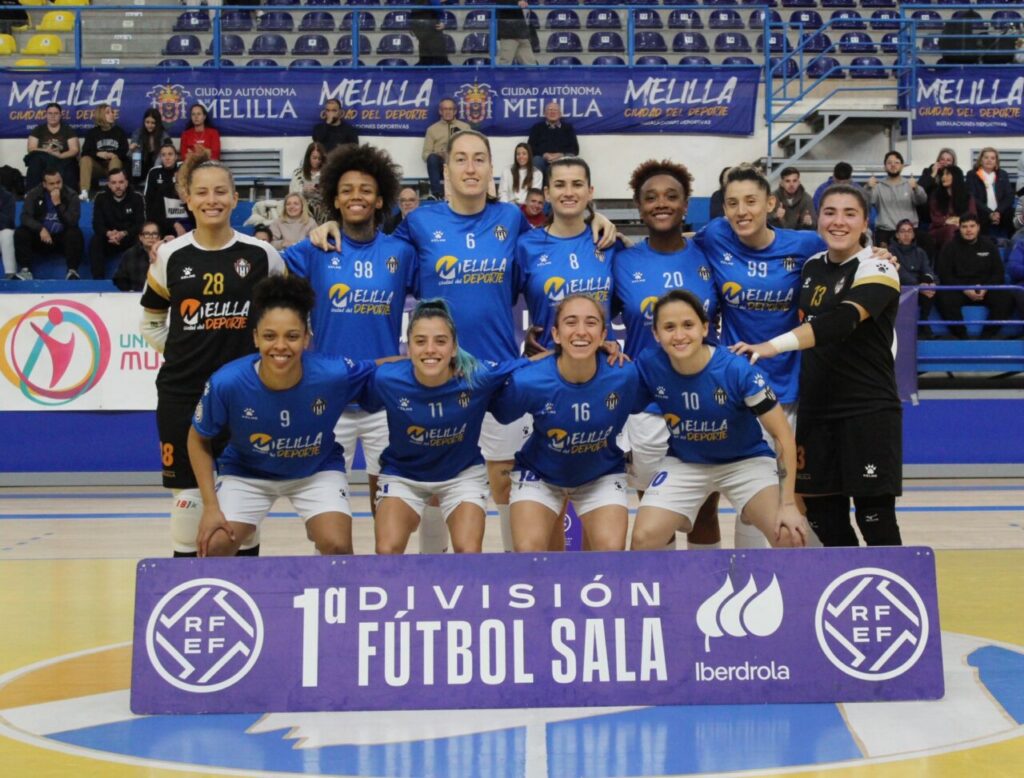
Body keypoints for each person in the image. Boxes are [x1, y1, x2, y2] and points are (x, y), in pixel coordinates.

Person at [310, 128, 616, 552]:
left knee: (506, 482)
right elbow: (370, 247)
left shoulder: (511, 219)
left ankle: (519, 576)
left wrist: (595, 218)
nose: (470, 168)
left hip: (498, 374)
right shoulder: (418, 224)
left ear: (491, 169)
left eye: (479, 159)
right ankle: (436, 577)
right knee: (436, 485)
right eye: (461, 159)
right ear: (446, 171)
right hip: (436, 377)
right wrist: (331, 222)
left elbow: (555, 243)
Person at [731, 185, 904, 547]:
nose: (839, 221)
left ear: (865, 223)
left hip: (867, 409)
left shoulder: (879, 265)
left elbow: (841, 322)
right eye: (830, 212)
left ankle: (883, 584)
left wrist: (770, 347)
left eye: (850, 214)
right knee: (824, 519)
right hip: (815, 410)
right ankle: (846, 583)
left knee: (874, 517)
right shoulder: (811, 265)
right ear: (818, 219)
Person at [139, 147, 286, 558]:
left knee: (243, 503)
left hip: (246, 395)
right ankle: (187, 586)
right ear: (188, 199)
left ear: (235, 198)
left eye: (221, 191)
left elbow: (287, 319)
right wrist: (183, 354)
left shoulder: (262, 255)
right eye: (202, 192)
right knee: (188, 505)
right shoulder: (170, 256)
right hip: (182, 394)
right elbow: (151, 323)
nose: (212, 200)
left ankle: (245, 587)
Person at [189, 274, 377, 557]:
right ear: (255, 337)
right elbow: (197, 440)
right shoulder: (227, 382)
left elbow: (382, 367)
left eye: (292, 336)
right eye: (269, 336)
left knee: (337, 545)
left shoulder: (333, 373)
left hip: (316, 471)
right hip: (247, 473)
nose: (280, 346)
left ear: (306, 339)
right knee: (214, 545)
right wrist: (211, 506)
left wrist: (433, 362)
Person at [282, 143, 416, 531]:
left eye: (366, 190)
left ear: (380, 200)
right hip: (328, 398)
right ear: (335, 200)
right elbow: (265, 269)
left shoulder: (401, 253)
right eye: (347, 190)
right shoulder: (315, 248)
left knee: (389, 521)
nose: (356, 196)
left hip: (383, 400)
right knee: (328, 527)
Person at [629, 290, 809, 551]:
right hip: (685, 462)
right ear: (656, 334)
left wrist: (788, 504)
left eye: (688, 325)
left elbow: (782, 436)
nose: (679, 335)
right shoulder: (649, 363)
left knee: (788, 535)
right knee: (643, 539)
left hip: (745, 462)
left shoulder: (737, 370)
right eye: (669, 327)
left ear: (705, 328)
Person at [364, 299, 529, 554]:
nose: (430, 350)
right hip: (403, 476)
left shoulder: (476, 376)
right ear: (408, 348)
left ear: (454, 348)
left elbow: (531, 364)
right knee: (387, 550)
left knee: (468, 550)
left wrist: (578, 350)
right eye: (420, 342)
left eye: (440, 341)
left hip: (462, 476)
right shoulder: (388, 378)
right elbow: (347, 377)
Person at [492, 295, 640, 552]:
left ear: (604, 335)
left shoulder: (624, 375)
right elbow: (501, 413)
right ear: (556, 334)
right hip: (540, 476)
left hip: (601, 474)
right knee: (530, 553)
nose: (581, 331)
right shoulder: (529, 380)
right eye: (571, 322)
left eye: (591, 323)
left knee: (610, 553)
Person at [517, 156, 617, 350]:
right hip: (547, 361)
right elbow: (501, 299)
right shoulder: (526, 246)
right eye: (560, 185)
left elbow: (623, 305)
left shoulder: (608, 242)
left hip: (603, 362)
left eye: (577, 184)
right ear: (547, 193)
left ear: (590, 192)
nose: (569, 193)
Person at [935, 213, 1014, 339]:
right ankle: (962, 337)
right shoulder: (949, 247)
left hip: (985, 289)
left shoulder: (989, 246)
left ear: (978, 227)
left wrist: (985, 287)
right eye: (964, 227)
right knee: (943, 298)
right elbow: (945, 275)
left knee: (1006, 298)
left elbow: (998, 273)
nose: (968, 230)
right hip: (959, 289)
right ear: (959, 228)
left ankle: (986, 337)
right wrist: (964, 288)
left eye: (972, 226)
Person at [13, 169, 84, 280]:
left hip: (61, 238)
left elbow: (72, 221)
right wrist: (40, 228)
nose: (56, 186)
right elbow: (25, 217)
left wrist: (58, 204)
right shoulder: (33, 194)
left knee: (75, 233)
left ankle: (72, 271)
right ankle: (25, 270)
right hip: (40, 238)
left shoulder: (71, 195)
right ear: (44, 184)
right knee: (21, 232)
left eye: (58, 182)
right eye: (52, 184)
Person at [89, 168, 145, 280]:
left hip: (128, 238)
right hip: (109, 239)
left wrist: (124, 233)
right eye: (114, 183)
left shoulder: (137, 198)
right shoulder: (100, 198)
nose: (118, 186)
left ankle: (137, 279)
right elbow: (97, 224)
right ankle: (98, 279)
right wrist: (108, 233)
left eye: (121, 182)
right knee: (95, 241)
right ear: (109, 185)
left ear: (126, 183)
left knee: (141, 240)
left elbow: (140, 224)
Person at [866, 151, 927, 249]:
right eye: (889, 163)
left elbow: (922, 200)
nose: (893, 165)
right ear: (885, 167)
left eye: (896, 162)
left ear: (902, 166)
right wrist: (868, 187)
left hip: (908, 231)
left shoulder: (910, 184)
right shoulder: (878, 186)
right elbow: (866, 202)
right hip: (885, 231)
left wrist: (916, 188)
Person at [891, 219, 937, 339]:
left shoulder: (920, 252)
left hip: (919, 288)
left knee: (930, 289)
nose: (906, 234)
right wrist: (918, 286)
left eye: (909, 231)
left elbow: (927, 269)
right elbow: (899, 273)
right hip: (901, 288)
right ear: (897, 235)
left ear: (913, 234)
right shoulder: (891, 251)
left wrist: (932, 282)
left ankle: (923, 323)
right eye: (903, 231)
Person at [78, 103, 129, 201]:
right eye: (108, 112)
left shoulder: (119, 131)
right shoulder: (92, 133)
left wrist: (114, 155)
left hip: (114, 165)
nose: (112, 114)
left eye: (112, 112)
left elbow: (124, 150)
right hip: (98, 167)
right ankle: (84, 192)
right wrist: (98, 154)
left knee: (115, 160)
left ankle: (113, 192)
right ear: (100, 115)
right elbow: (85, 152)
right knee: (85, 159)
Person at [422, 97, 469, 199]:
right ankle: (437, 194)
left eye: (450, 109)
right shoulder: (432, 129)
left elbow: (470, 149)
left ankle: (464, 193)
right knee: (432, 158)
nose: (448, 112)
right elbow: (425, 154)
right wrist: (438, 154)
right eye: (445, 109)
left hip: (458, 163)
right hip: (440, 165)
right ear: (440, 111)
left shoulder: (464, 127)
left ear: (455, 111)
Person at [24, 102, 79, 190]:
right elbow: (31, 148)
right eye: (50, 113)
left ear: (60, 115)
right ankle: (32, 193)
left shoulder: (68, 130)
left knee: (71, 163)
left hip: (62, 159)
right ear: (46, 115)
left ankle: (70, 194)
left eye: (56, 113)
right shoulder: (38, 130)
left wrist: (60, 155)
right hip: (43, 159)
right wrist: (46, 150)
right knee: (35, 160)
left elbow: (75, 150)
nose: (53, 116)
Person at [966, 147, 1015, 240]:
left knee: (1012, 213)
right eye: (986, 157)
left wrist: (998, 212)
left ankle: (1012, 242)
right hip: (982, 211)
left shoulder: (1003, 174)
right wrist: (990, 213)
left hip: (1000, 212)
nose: (989, 160)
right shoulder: (972, 174)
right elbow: (972, 197)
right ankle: (983, 244)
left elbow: (1009, 196)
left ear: (996, 161)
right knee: (976, 216)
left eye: (992, 158)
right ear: (981, 160)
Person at [144, 142, 188, 239]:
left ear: (176, 156)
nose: (167, 158)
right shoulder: (154, 173)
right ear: (160, 157)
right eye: (163, 155)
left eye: (170, 154)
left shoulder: (185, 169)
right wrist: (173, 224)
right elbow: (149, 204)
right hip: (163, 221)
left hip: (186, 219)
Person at [928, 165, 974, 253]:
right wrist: (948, 221)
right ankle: (950, 257)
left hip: (962, 227)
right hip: (939, 230)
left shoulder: (967, 196)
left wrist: (960, 220)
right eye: (942, 174)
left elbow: (972, 215)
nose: (943, 177)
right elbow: (935, 218)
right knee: (952, 229)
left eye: (947, 174)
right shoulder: (936, 196)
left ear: (956, 177)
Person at [527, 102, 579, 180]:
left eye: (555, 110)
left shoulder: (568, 128)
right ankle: (538, 187)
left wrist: (561, 154)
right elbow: (530, 147)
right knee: (536, 160)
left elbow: (575, 149)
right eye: (550, 110)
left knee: (571, 157)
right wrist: (544, 154)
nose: (552, 112)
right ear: (545, 114)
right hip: (543, 160)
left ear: (560, 114)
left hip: (562, 159)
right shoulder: (537, 128)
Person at [113, 221, 161, 292]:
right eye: (147, 234)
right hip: (136, 295)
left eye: (154, 234)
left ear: (159, 237)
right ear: (140, 237)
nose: (151, 237)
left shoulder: (165, 254)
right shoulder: (130, 254)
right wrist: (130, 290)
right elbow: (119, 278)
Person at [128, 108, 171, 185]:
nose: (149, 125)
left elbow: (169, 154)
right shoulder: (138, 134)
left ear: (158, 123)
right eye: (147, 122)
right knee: (135, 156)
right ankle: (135, 187)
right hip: (141, 166)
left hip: (157, 166)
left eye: (153, 123)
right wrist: (131, 150)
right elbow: (131, 157)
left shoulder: (164, 136)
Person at [290, 142, 328, 224]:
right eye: (314, 158)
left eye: (319, 159)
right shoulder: (298, 173)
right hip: (303, 209)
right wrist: (303, 190)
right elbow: (291, 195)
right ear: (308, 157)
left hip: (322, 210)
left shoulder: (327, 174)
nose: (317, 161)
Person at [771, 167, 815, 231]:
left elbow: (815, 225)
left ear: (799, 182)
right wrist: (775, 216)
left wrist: (809, 223)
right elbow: (764, 222)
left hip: (799, 236)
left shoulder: (806, 199)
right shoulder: (772, 198)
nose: (791, 184)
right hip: (778, 235)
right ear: (781, 183)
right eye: (787, 181)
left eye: (794, 181)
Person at [409, 0, 451, 66]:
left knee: (438, 61)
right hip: (424, 35)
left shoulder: (433, 2)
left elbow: (439, 10)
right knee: (426, 60)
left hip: (432, 34)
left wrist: (442, 21)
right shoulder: (416, 4)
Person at [496, 0, 538, 66]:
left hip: (522, 33)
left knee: (531, 64)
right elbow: (500, 3)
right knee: (505, 64)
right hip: (508, 34)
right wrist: (517, 3)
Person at [0, 183, 16, 279]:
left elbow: (8, 221)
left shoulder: (7, 196)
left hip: (1, 232)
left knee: (7, 233)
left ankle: (10, 273)